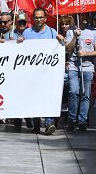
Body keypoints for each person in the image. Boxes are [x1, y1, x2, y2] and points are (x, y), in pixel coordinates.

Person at [23, 7, 64, 135]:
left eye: (41, 17)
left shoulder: (52, 32)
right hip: (32, 73)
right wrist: (19, 42)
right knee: (34, 98)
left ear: (45, 18)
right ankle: (36, 124)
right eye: (36, 17)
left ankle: (48, 123)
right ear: (33, 19)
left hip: (48, 73)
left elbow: (61, 50)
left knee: (48, 97)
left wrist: (61, 41)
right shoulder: (27, 33)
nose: (39, 19)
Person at [65, 12, 96, 132]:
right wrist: (75, 37)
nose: (85, 18)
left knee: (86, 94)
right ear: (78, 17)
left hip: (87, 67)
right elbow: (68, 50)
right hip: (73, 66)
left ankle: (82, 121)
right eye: (82, 16)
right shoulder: (71, 30)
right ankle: (71, 119)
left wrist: (85, 53)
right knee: (73, 91)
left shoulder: (94, 31)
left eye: (87, 16)